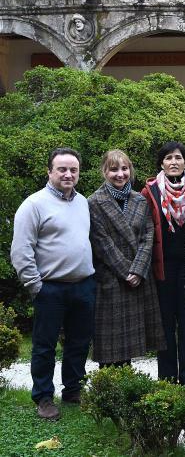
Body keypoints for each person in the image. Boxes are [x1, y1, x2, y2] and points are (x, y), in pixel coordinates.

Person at [11, 148, 95, 420]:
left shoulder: (82, 202)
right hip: (50, 288)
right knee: (44, 345)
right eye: (62, 169)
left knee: (79, 342)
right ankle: (44, 397)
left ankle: (73, 390)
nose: (68, 174)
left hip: (83, 285)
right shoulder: (34, 204)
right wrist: (36, 286)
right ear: (49, 172)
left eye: (73, 169)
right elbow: (21, 250)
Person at [88, 150, 165, 368]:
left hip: (138, 277)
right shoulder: (94, 201)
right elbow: (102, 242)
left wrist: (138, 270)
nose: (120, 174)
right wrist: (126, 272)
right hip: (111, 279)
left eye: (124, 169)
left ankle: (127, 386)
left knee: (130, 342)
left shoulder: (139, 199)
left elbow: (148, 236)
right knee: (111, 343)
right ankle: (109, 389)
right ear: (104, 171)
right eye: (114, 169)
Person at [141, 142, 185, 387]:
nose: (174, 162)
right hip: (162, 267)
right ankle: (166, 376)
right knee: (165, 323)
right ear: (162, 163)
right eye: (168, 158)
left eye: (178, 157)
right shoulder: (150, 192)